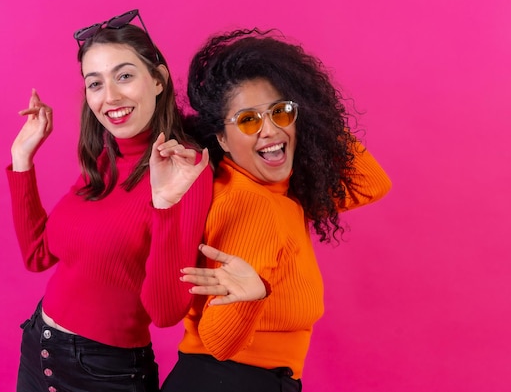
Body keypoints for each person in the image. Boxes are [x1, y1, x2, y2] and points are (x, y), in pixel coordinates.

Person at [161, 28, 393, 392]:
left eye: (281, 112)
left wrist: (317, 114)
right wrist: (250, 297)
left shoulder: (274, 190)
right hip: (230, 381)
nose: (269, 130)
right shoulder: (251, 203)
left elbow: (371, 183)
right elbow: (218, 343)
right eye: (249, 120)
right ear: (221, 138)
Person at [6, 9, 212, 392]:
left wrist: (165, 206)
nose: (110, 97)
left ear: (158, 80)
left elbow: (166, 312)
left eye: (124, 76)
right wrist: (22, 161)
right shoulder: (107, 157)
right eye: (95, 83)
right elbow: (38, 255)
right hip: (39, 349)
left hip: (104, 375)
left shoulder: (187, 168)